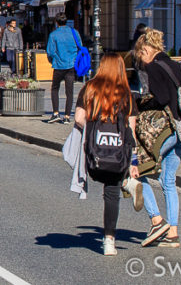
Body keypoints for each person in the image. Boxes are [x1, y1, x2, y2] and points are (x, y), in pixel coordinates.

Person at [74, 52, 143, 256]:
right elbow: (131, 131)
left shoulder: (90, 89)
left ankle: (125, 183)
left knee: (98, 175)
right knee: (111, 193)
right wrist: (134, 161)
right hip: (118, 153)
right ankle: (109, 241)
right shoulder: (126, 94)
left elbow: (79, 118)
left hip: (95, 154)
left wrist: (95, 123)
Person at [134, 28, 181, 249]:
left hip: (167, 129)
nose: (141, 61)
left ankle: (157, 221)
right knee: (168, 181)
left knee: (138, 170)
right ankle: (172, 233)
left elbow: (162, 98)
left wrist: (140, 102)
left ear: (146, 49)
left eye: (140, 56)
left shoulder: (154, 67)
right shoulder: (175, 65)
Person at [46, 13, 80, 124]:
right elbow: (79, 46)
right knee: (69, 92)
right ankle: (67, 116)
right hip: (70, 65)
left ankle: (56, 113)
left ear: (56, 22)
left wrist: (53, 60)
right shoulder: (74, 33)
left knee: (55, 88)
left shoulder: (53, 35)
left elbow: (50, 51)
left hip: (58, 65)